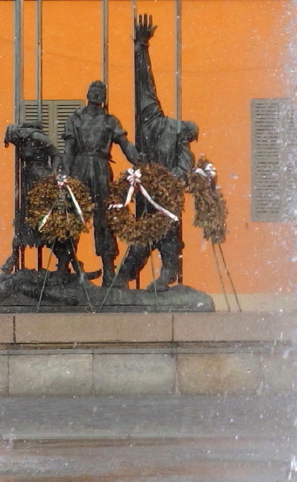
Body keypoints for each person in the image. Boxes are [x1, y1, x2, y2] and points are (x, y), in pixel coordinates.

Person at [112, 16, 200, 289]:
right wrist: (141, 47)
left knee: (159, 232)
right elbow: (183, 170)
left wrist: (141, 47)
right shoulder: (165, 128)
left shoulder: (155, 121)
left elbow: (144, 87)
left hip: (157, 194)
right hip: (153, 193)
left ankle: (139, 276)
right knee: (151, 233)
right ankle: (134, 276)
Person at [60, 80, 139, 282]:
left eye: (100, 92)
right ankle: (63, 266)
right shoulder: (75, 119)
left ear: (103, 97)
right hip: (80, 166)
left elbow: (124, 144)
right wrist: (66, 175)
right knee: (74, 215)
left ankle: (108, 269)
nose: (96, 94)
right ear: (87, 94)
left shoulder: (110, 121)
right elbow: (68, 149)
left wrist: (139, 161)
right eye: (93, 91)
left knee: (104, 218)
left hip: (101, 168)